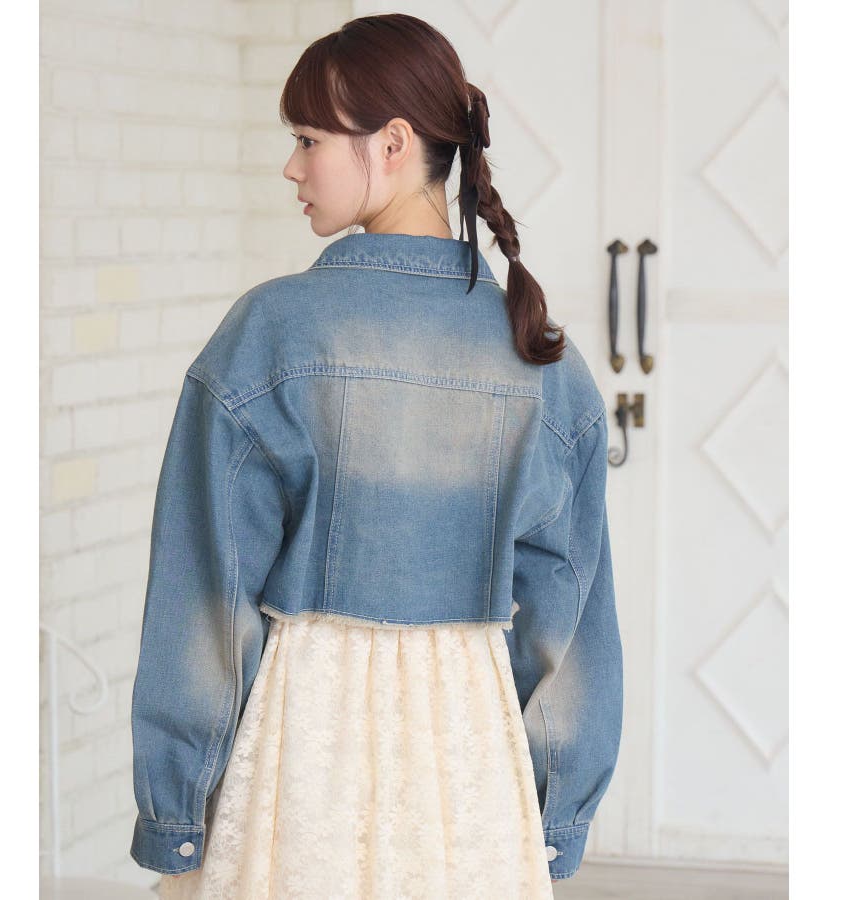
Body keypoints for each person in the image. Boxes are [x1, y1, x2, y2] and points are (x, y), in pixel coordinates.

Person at [129, 12, 623, 899]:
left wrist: (178, 812)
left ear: (392, 143)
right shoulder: (539, 355)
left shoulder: (271, 332)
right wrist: (555, 812)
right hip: (472, 761)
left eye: (308, 139)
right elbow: (570, 623)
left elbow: (205, 597)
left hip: (299, 752)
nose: (291, 167)